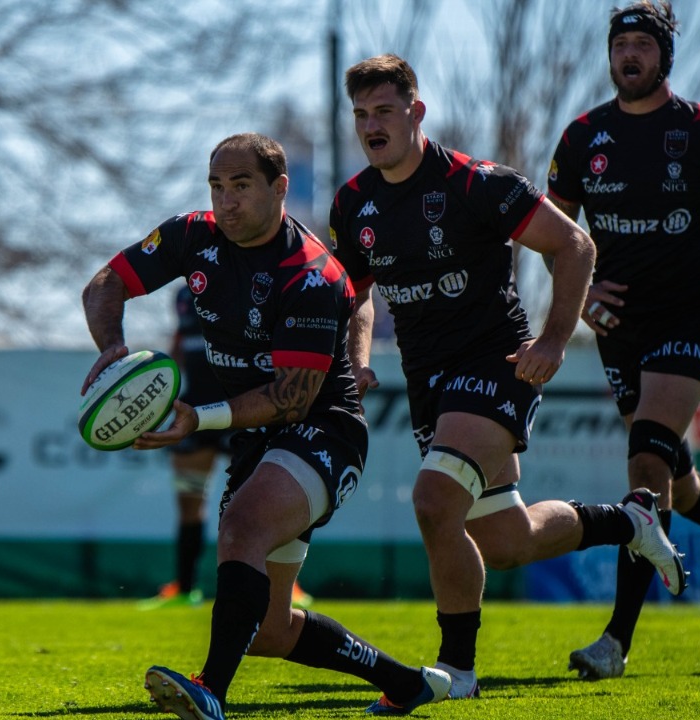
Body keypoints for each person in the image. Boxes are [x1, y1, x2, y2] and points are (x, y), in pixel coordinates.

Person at [329, 54, 686, 703]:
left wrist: (552, 338)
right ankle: (630, 519)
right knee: (505, 540)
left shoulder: (475, 183)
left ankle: (456, 669)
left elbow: (573, 245)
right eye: (360, 115)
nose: (371, 125)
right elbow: (356, 291)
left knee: (435, 502)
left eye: (384, 111)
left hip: (497, 363)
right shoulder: (355, 203)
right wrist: (357, 356)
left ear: (416, 112)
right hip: (427, 380)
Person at [83, 132, 451, 720]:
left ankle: (210, 692)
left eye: (242, 186)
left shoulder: (309, 274)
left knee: (242, 527)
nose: (226, 201)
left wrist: (196, 420)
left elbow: (290, 397)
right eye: (217, 186)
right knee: (269, 630)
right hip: (258, 437)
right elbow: (106, 282)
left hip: (324, 428)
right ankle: (405, 682)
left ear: (279, 189)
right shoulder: (190, 234)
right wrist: (113, 346)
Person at [546, 1, 700, 680]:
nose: (629, 56)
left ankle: (614, 645)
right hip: (620, 327)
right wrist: (584, 293)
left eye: (641, 46)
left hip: (692, 315)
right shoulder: (581, 138)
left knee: (644, 473)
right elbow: (555, 235)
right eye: (620, 45)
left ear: (664, 57)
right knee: (673, 485)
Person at [138, 284, 313, 612]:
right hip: (195, 409)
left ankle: (285, 585)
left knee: (264, 502)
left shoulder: (247, 281)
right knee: (189, 502)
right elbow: (180, 341)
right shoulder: (182, 294)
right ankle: (184, 588)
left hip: (241, 407)